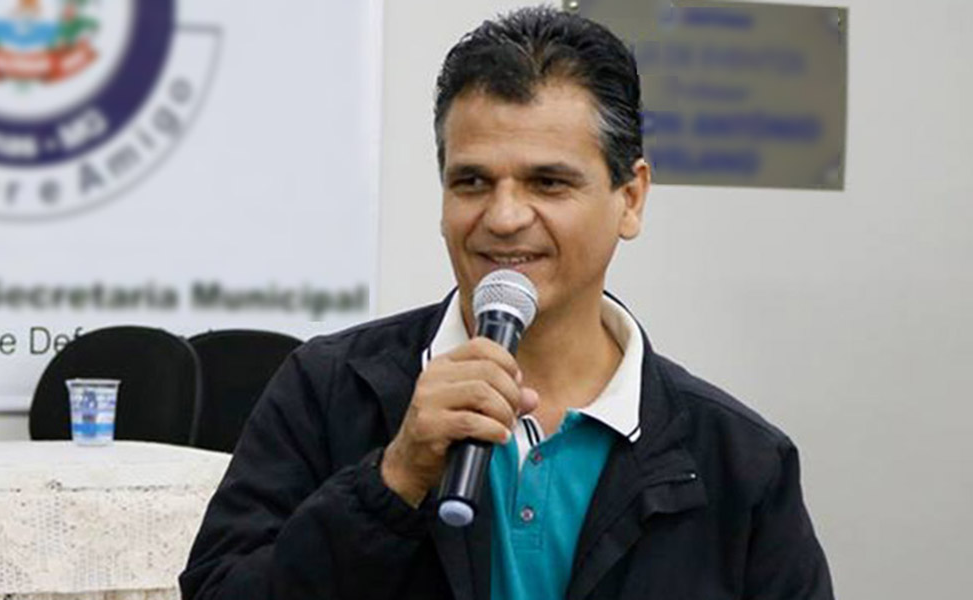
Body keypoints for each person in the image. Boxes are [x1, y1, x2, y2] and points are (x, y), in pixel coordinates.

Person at [180, 7, 834, 600]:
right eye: (471, 181)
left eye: (548, 183)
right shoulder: (327, 389)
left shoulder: (739, 460)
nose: (503, 217)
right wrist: (392, 481)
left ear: (630, 199)